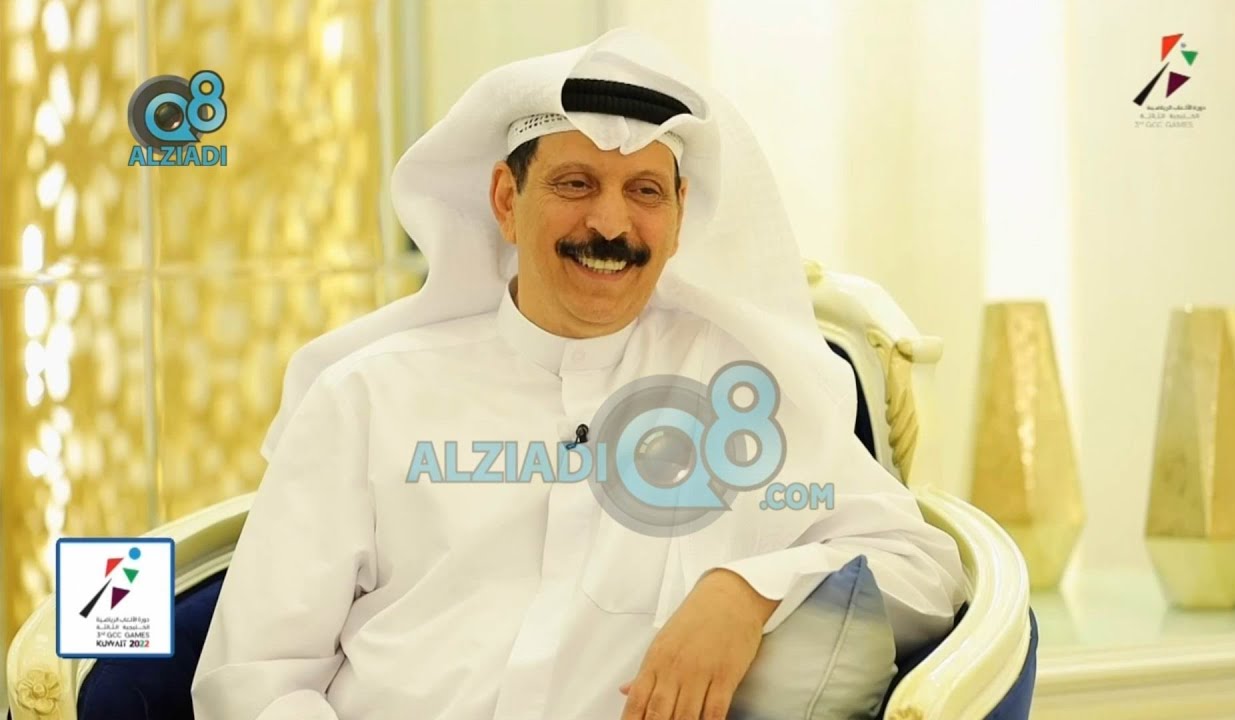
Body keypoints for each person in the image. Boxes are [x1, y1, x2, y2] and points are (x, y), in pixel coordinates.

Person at [191, 28, 964, 720]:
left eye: (644, 192)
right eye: (575, 184)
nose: (611, 224)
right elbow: (252, 679)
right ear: (506, 199)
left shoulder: (742, 391)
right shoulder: (367, 396)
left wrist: (747, 592)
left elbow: (927, 570)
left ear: (680, 214)